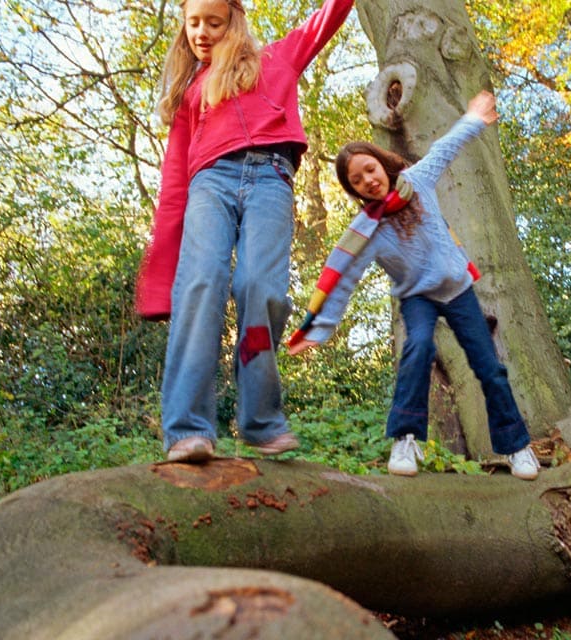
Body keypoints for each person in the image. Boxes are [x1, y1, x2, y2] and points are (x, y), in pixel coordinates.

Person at [134, 0, 354, 462]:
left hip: (272, 180)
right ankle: (188, 429)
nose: (201, 33)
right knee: (202, 283)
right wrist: (158, 281)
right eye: (193, 23)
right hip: (209, 184)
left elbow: (330, 14)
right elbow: (174, 183)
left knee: (262, 288)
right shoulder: (191, 92)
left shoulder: (277, 59)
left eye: (213, 23)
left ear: (233, 23)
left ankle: (258, 419)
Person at [287, 91, 540, 480]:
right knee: (418, 347)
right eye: (357, 181)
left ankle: (517, 447)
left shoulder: (416, 181)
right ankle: (406, 439)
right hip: (416, 296)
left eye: (369, 169)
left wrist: (472, 118)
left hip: (457, 290)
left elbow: (445, 147)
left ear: (381, 164)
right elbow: (343, 277)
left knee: (489, 367)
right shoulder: (367, 230)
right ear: (353, 190)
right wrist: (319, 329)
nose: (368, 181)